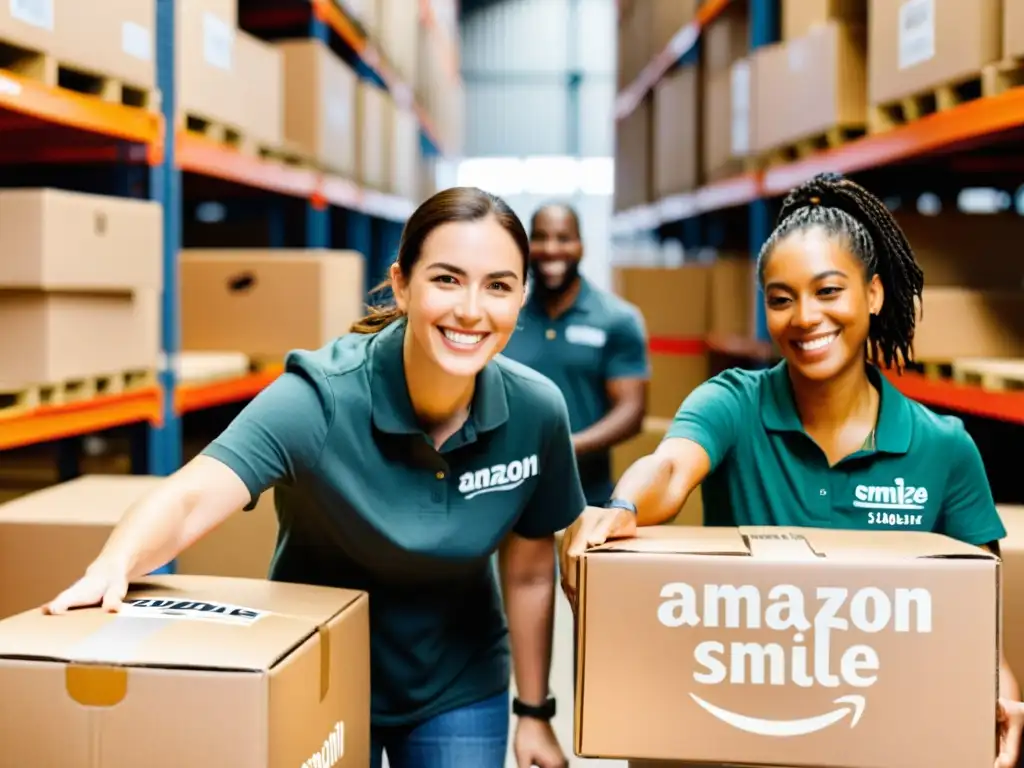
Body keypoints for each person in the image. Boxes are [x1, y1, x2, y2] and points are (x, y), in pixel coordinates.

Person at [43, 187, 606, 768]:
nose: (471, 309)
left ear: (520, 298)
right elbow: (192, 494)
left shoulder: (537, 410)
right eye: (446, 279)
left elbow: (532, 571)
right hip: (321, 668)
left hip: (459, 681)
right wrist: (113, 565)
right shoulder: (321, 399)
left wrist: (535, 714)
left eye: (498, 285)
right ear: (402, 285)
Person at [558, 172, 1024, 767]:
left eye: (829, 291)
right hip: (746, 739)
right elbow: (670, 470)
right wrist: (619, 510)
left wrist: (1000, 707)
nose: (805, 317)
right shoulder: (732, 404)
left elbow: (979, 624)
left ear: (874, 294)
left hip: (881, 743)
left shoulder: (942, 448)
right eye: (781, 299)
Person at [501, 202, 650, 507]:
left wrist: (567, 447)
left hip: (586, 497)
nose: (551, 248)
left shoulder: (616, 320)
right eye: (540, 237)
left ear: (581, 245)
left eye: (563, 238)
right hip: (506, 493)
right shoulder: (504, 315)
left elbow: (631, 410)